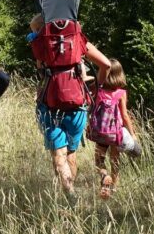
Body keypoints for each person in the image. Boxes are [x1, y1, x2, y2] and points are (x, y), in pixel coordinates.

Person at [31, 14, 111, 205]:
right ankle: (69, 198)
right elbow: (106, 64)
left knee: (59, 156)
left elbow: (41, 71)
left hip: (50, 107)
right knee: (71, 155)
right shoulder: (78, 39)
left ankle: (70, 197)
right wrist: (92, 87)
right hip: (78, 106)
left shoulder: (42, 43)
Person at [87, 59, 142, 200]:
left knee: (99, 160)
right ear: (120, 74)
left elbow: (88, 101)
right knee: (115, 160)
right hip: (115, 133)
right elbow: (124, 115)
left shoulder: (97, 88)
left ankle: (104, 176)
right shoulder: (121, 93)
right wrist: (133, 134)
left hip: (100, 131)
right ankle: (114, 189)